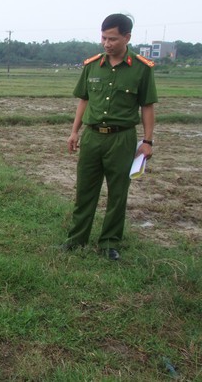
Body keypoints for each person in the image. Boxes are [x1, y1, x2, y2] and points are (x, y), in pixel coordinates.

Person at [62, 13, 157, 260]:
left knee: (117, 193)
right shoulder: (93, 65)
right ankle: (76, 239)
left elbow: (147, 106)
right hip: (93, 137)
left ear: (127, 37)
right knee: (85, 191)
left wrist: (147, 141)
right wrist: (74, 132)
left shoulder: (141, 69)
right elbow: (84, 100)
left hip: (122, 139)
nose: (107, 44)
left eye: (112, 39)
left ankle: (109, 243)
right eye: (103, 38)